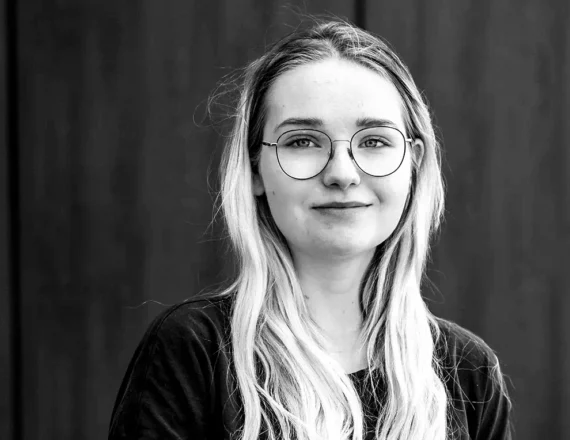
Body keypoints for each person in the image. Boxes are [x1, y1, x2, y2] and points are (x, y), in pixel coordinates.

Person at [108, 18, 512, 440]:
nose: (342, 174)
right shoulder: (194, 352)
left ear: (414, 163)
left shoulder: (469, 373)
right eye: (302, 141)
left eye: (374, 141)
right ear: (254, 168)